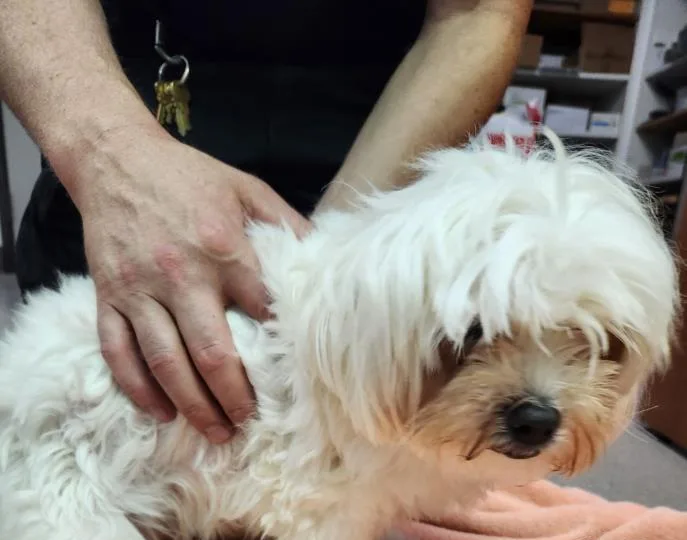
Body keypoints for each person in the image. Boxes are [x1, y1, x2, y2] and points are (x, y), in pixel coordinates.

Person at [0, 0, 532, 442]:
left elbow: (478, 12)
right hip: (113, 156)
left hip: (374, 171)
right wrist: (108, 155)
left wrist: (340, 264)